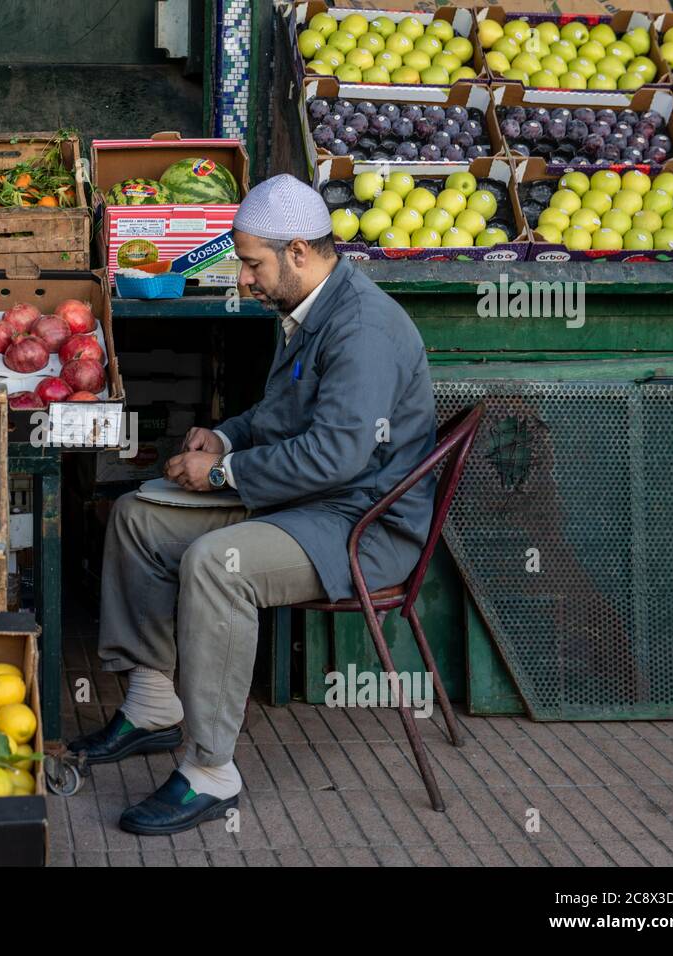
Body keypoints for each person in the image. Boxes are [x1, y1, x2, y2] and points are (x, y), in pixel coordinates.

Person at [67, 174, 438, 835]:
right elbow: (284, 412)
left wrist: (222, 474)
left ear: (298, 251)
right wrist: (229, 434)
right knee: (138, 517)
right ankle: (154, 704)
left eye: (250, 262)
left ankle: (211, 771)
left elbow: (336, 457)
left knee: (220, 562)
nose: (243, 278)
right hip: (308, 502)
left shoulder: (363, 329)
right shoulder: (313, 309)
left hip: (358, 525)